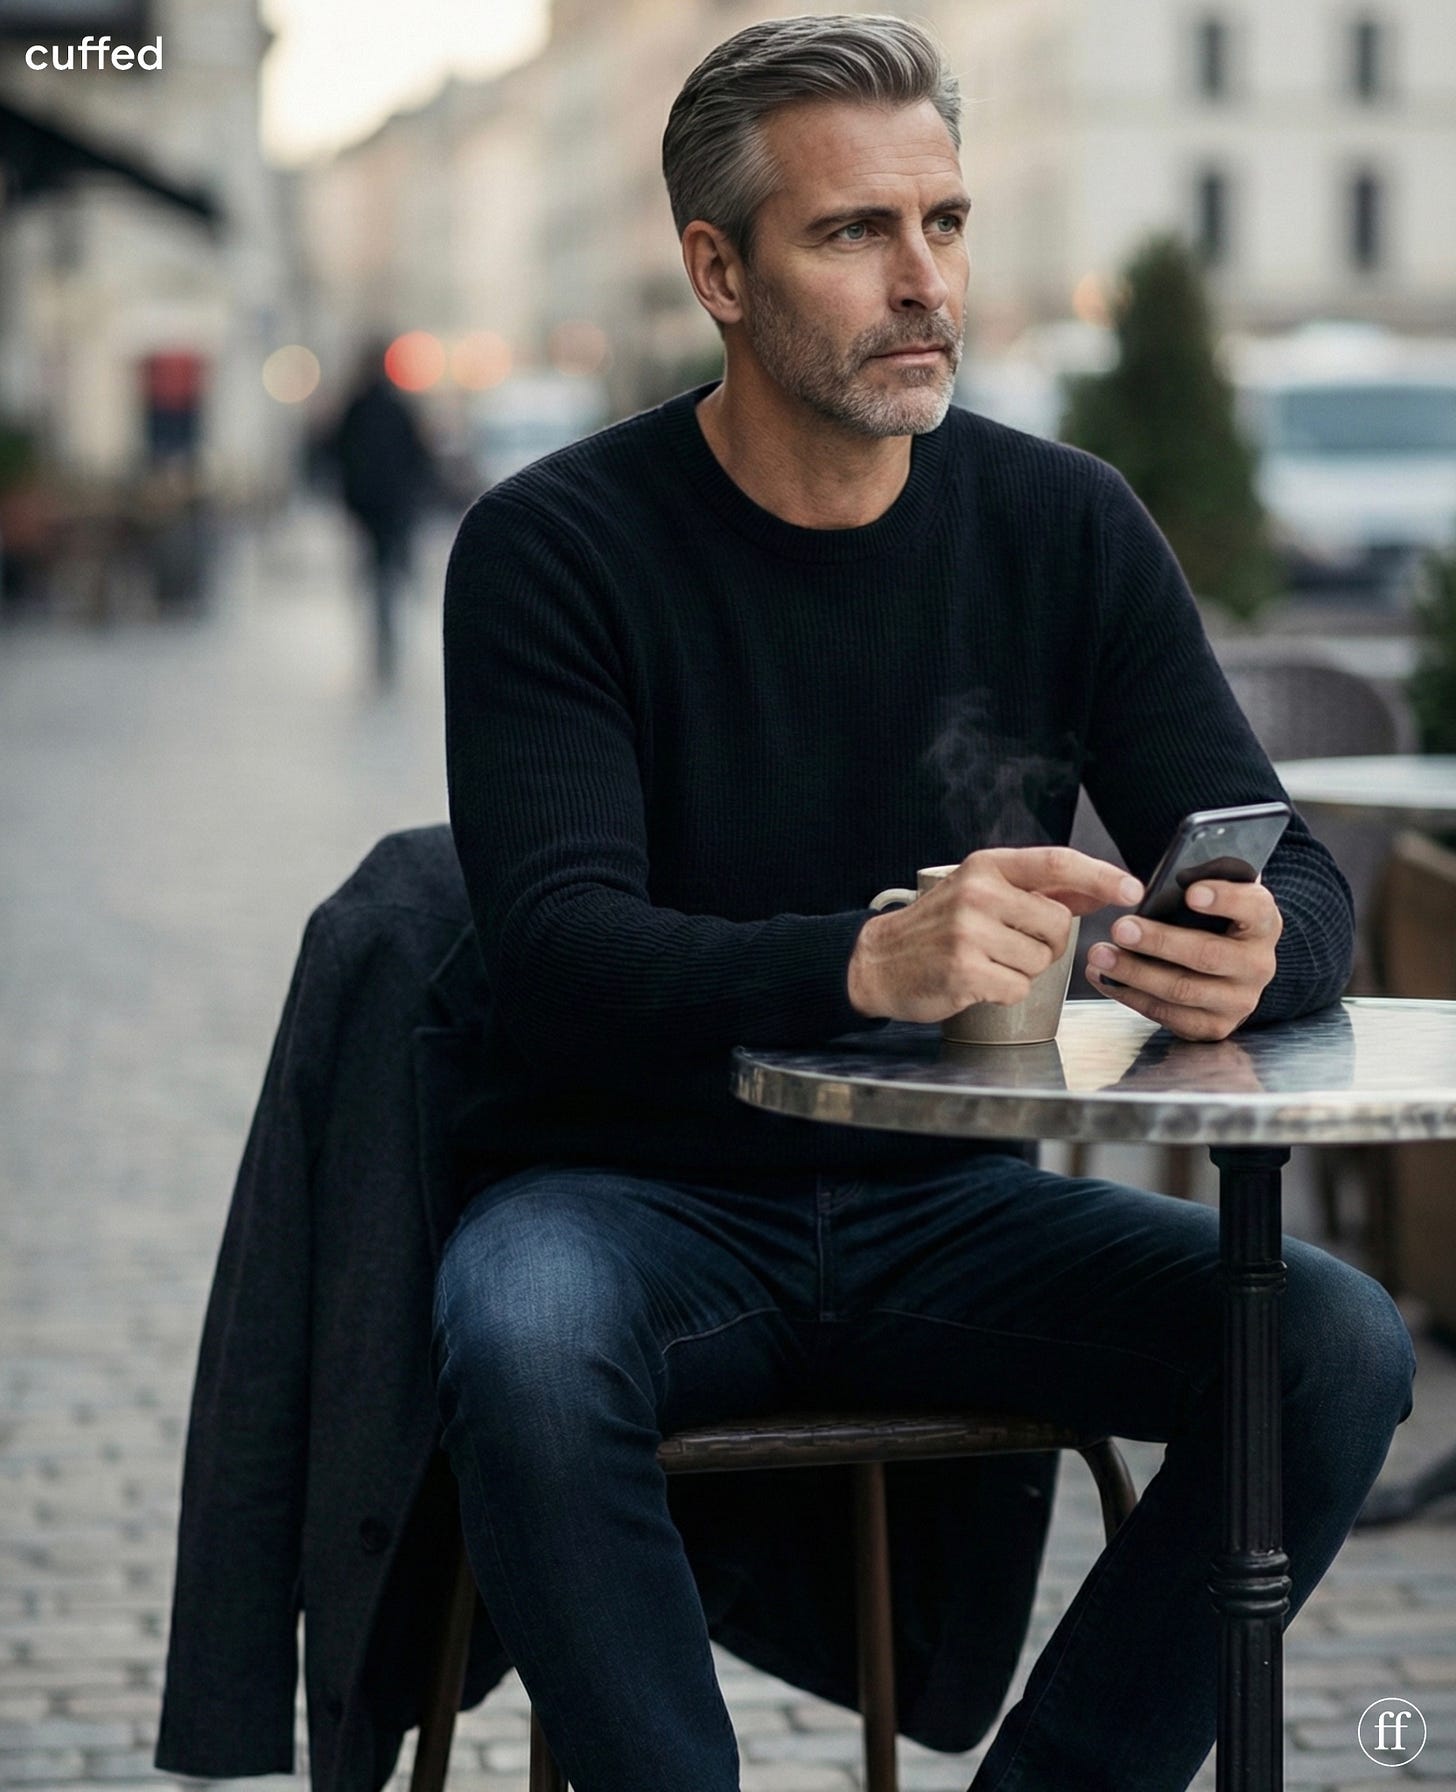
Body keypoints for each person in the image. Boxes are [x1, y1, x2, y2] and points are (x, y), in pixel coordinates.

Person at [434, 16, 1415, 1791]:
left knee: (1332, 1345)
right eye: (852, 233)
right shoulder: (554, 544)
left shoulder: (1067, 525)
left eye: (944, 223)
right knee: (516, 1327)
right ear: (716, 269)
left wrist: (1251, 954)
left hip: (948, 1206)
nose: (921, 281)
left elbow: (1288, 873)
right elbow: (555, 956)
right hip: (633, 1194)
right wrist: (864, 958)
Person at [318, 338, 436, 685]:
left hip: (367, 504)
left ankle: (383, 623)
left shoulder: (354, 406)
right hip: (393, 504)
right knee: (387, 563)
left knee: (375, 565)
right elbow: (419, 453)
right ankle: (389, 614)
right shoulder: (398, 405)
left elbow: (333, 450)